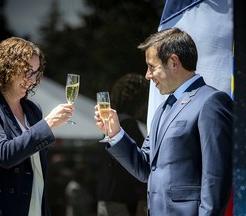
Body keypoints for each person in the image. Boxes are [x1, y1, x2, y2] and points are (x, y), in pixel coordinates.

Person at [94, 27, 233, 216]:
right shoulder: (162, 110)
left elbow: (216, 178)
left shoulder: (211, 102)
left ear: (173, 62)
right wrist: (115, 133)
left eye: (152, 66)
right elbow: (144, 167)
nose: (147, 75)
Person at [0, 37, 74, 216]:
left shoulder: (33, 110)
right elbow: (4, 154)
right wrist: (48, 124)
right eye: (27, 71)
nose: (32, 80)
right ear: (7, 69)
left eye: (35, 73)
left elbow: (37, 171)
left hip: (30, 207)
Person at [97, 74, 148, 216]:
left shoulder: (112, 123)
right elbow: (139, 163)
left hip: (106, 196)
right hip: (123, 200)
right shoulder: (127, 125)